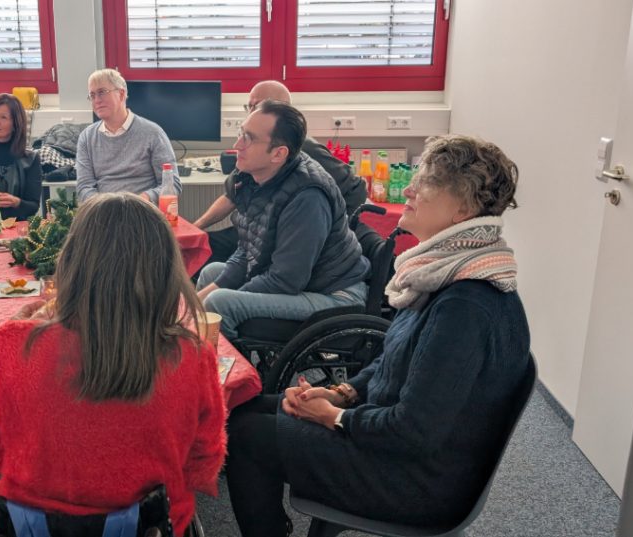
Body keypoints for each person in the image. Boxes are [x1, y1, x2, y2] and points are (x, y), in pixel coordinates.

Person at [225, 134, 530, 536]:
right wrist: (342, 393)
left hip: (417, 481)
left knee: (244, 435)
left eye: (427, 183)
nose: (410, 190)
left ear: (464, 210)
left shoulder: (465, 305)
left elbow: (413, 433)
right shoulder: (445, 274)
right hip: (394, 443)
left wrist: (335, 417)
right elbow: (392, 359)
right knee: (243, 408)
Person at [0, 193, 226, 531]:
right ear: (167, 271)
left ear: (70, 262)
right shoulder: (193, 356)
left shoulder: (7, 346)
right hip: (151, 527)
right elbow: (202, 467)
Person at [195, 101, 369, 339]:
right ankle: (199, 348)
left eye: (248, 138)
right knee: (211, 275)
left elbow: (286, 280)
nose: (237, 145)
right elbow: (247, 250)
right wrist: (195, 303)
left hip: (334, 296)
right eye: (240, 133)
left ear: (278, 153)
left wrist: (232, 294)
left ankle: (224, 362)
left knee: (220, 302)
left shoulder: (307, 198)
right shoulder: (254, 176)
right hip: (304, 281)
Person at [193, 80, 368, 264]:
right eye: (249, 106)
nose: (252, 113)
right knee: (202, 246)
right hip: (256, 230)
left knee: (208, 256)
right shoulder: (251, 144)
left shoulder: (305, 149)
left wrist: (328, 232)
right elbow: (231, 195)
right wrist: (195, 228)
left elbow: (356, 189)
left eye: (258, 106)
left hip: (282, 239)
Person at [75, 69, 181, 203]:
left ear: (121, 94)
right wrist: (105, 207)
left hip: (142, 210)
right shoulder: (86, 137)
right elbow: (84, 187)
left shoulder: (153, 133)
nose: (96, 100)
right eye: (92, 95)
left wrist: (144, 199)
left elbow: (172, 184)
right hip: (103, 211)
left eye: (102, 92)